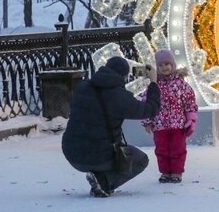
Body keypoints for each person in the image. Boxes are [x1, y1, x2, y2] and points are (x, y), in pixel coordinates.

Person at [62, 56, 160, 197]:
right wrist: (153, 82)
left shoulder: (82, 87)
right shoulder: (120, 97)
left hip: (72, 153)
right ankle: (104, 182)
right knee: (140, 160)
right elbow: (151, 109)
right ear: (124, 76)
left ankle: (98, 176)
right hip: (99, 156)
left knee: (96, 137)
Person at [142, 49, 198, 183]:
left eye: (167, 64)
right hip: (159, 125)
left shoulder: (182, 85)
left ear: (172, 64)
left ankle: (177, 172)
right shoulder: (154, 86)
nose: (164, 67)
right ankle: (165, 172)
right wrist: (147, 121)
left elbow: (190, 102)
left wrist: (191, 119)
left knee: (178, 149)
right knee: (161, 150)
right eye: (160, 65)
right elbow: (146, 103)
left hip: (178, 125)